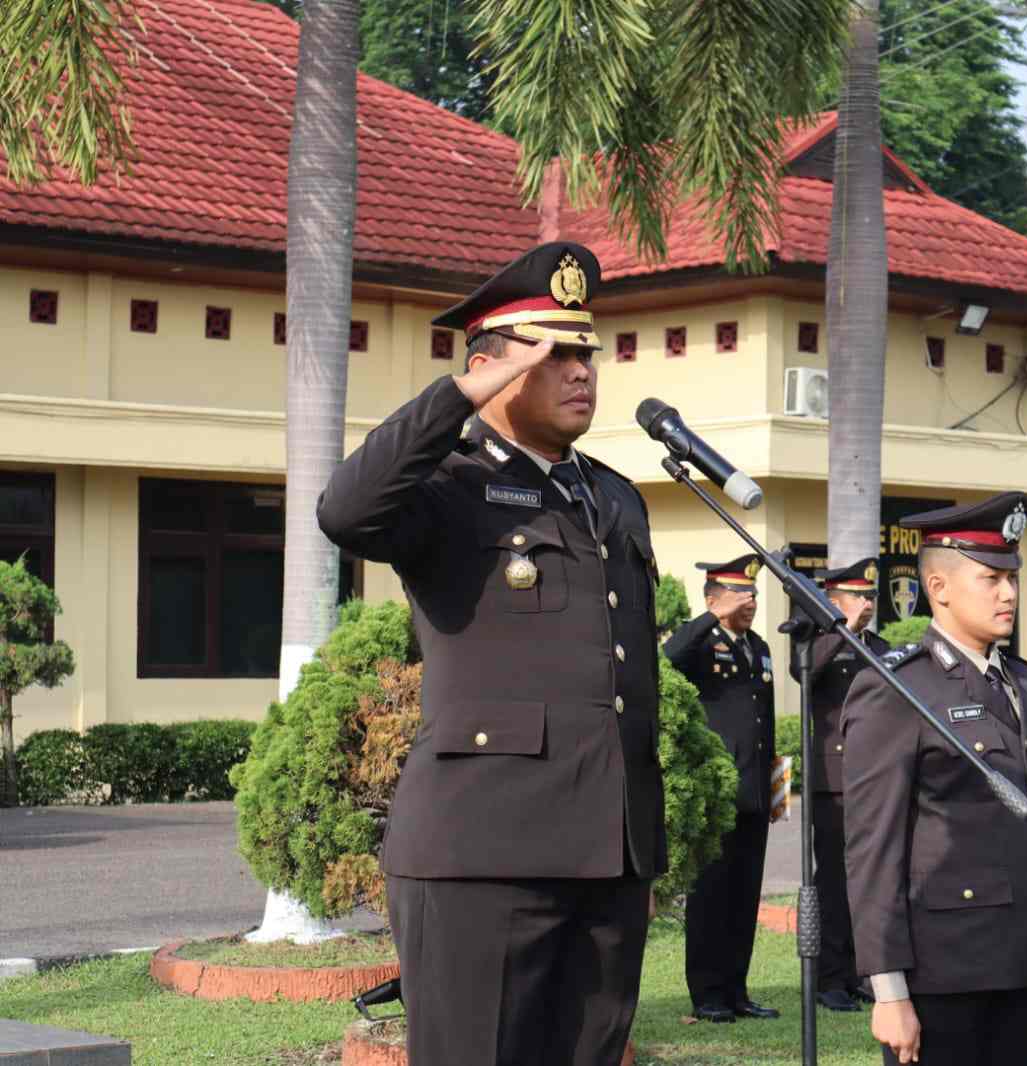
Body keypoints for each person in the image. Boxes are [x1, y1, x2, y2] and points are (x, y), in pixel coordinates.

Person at [316, 242, 665, 1066]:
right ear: (488, 369)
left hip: (609, 853)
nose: (579, 370)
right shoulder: (447, 487)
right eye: (550, 353)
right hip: (484, 851)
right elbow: (346, 512)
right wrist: (456, 400)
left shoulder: (612, 495)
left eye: (585, 352)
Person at [843, 493, 1027, 1066]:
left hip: (1018, 966)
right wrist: (888, 991)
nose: (1008, 593)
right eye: (990, 579)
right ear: (939, 589)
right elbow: (873, 851)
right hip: (941, 977)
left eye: (1011, 578)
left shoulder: (1021, 683)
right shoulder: (898, 690)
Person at [663, 554, 780, 1023]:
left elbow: (766, 723)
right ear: (713, 598)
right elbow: (667, 658)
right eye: (739, 595)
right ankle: (707, 993)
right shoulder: (701, 643)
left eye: (753, 596)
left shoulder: (760, 647)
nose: (749, 603)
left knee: (744, 895)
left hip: (755, 791)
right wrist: (713, 616)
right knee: (710, 897)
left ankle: (737, 989)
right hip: (718, 793)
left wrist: (777, 789)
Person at [788, 557, 889, 1013]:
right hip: (833, 782)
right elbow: (803, 672)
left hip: (875, 778)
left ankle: (860, 973)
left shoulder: (883, 647)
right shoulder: (815, 643)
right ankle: (829, 978)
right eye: (857, 597)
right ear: (833, 600)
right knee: (831, 881)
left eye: (869, 597)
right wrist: (839, 628)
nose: (866, 605)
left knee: (870, 881)